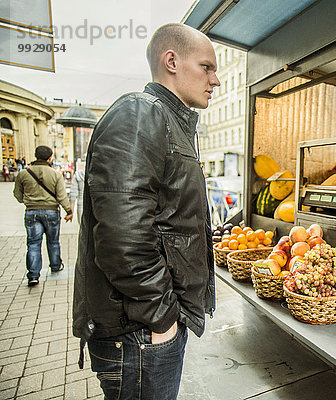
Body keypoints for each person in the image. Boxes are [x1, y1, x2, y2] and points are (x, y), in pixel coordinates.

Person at [72, 23, 219, 400]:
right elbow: (122, 238)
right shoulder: (141, 114)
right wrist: (162, 318)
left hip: (145, 326)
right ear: (172, 61)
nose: (215, 80)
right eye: (207, 67)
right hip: (139, 330)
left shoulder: (170, 121)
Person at [13, 145, 73, 286]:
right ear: (50, 157)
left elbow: (17, 194)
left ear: (35, 155)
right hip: (51, 211)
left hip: (31, 212)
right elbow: (61, 195)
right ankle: (55, 265)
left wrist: (28, 201)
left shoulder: (23, 173)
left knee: (33, 243)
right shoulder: (55, 174)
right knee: (53, 241)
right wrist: (68, 211)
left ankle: (33, 275)